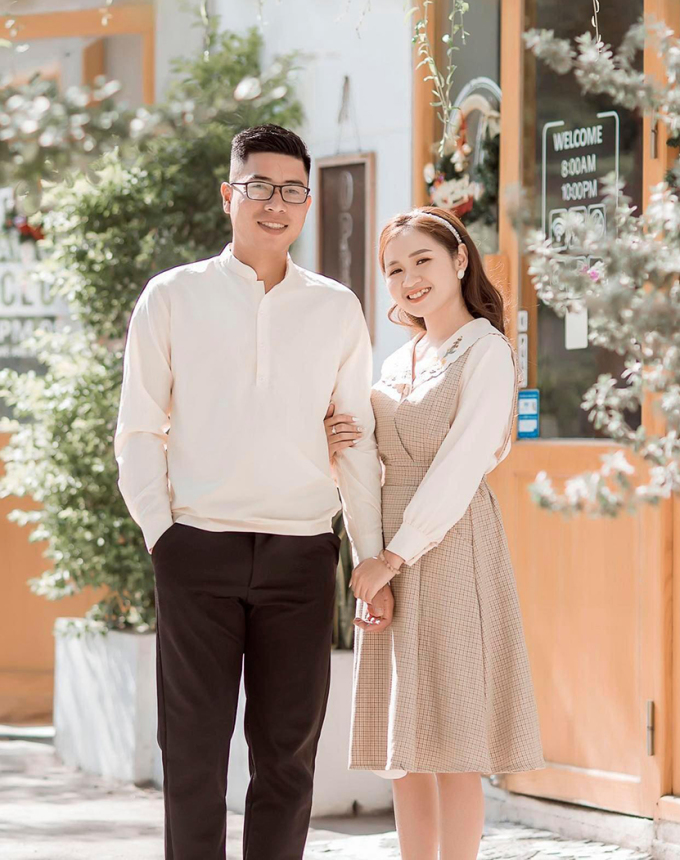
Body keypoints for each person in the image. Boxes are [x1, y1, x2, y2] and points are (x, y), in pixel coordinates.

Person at [113, 124, 387, 860]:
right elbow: (139, 428)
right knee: (192, 756)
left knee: (288, 761)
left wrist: (370, 555)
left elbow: (355, 441)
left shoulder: (336, 308)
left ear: (308, 203)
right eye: (259, 186)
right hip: (196, 549)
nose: (276, 203)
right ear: (228, 194)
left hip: (302, 552)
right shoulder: (173, 297)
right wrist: (162, 535)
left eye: (292, 190)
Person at [325, 207, 545, 860]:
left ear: (459, 259)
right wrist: (338, 451)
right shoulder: (398, 360)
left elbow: (462, 464)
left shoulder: (486, 350)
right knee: (405, 746)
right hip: (388, 550)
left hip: (451, 546)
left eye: (422, 260)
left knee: (453, 742)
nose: (408, 279)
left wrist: (393, 557)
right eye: (394, 269)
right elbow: (369, 465)